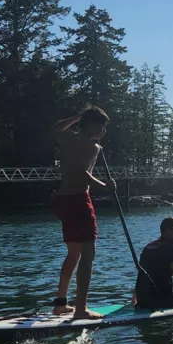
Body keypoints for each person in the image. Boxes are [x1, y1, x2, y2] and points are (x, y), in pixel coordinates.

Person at [50, 106, 109, 319]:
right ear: (93, 125)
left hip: (62, 200)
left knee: (73, 253)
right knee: (88, 254)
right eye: (102, 127)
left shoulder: (68, 138)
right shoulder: (92, 147)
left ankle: (60, 303)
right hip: (78, 200)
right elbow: (80, 172)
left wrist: (77, 116)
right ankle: (81, 310)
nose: (104, 131)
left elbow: (55, 128)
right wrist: (104, 186)